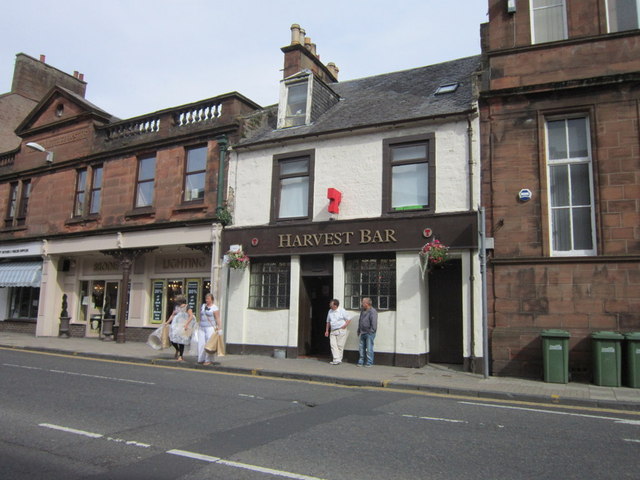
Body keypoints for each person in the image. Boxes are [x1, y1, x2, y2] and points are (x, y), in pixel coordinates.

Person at [165, 296, 194, 362]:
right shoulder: (177, 307)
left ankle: (181, 356)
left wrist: (187, 324)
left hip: (183, 325)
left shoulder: (187, 307)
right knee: (172, 339)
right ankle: (177, 349)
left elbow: (191, 316)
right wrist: (167, 322)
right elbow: (172, 315)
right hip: (175, 325)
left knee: (181, 341)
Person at [324, 299, 351, 365]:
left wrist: (345, 326)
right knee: (333, 345)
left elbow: (348, 319)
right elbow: (328, 321)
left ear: (335, 305)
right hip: (333, 330)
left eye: (331, 305)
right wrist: (327, 330)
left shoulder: (342, 310)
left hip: (340, 330)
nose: (330, 306)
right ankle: (336, 359)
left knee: (340, 345)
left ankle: (338, 359)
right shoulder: (330, 311)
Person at [198, 293, 222, 366]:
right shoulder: (203, 306)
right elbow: (200, 316)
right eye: (206, 299)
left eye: (208, 299)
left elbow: (217, 318)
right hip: (202, 327)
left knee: (209, 344)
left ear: (212, 300)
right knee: (201, 343)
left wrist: (219, 328)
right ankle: (201, 358)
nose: (207, 300)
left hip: (210, 327)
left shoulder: (215, 308)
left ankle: (208, 360)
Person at [357, 297, 377, 367]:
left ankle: (369, 362)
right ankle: (361, 361)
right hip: (362, 332)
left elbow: (374, 322)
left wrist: (371, 331)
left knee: (369, 348)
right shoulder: (362, 310)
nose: (361, 304)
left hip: (369, 333)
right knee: (361, 348)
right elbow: (360, 320)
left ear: (367, 303)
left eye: (363, 302)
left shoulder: (372, 311)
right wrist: (359, 329)